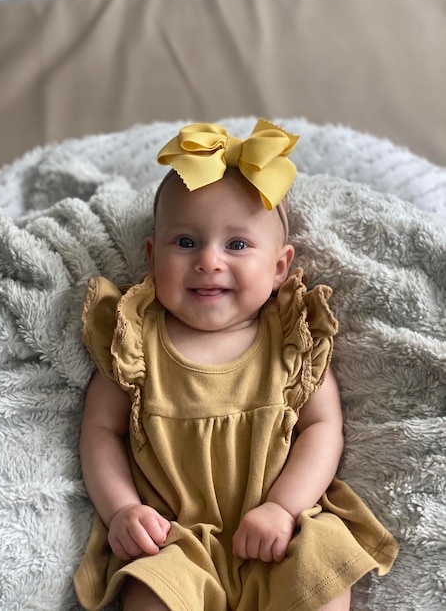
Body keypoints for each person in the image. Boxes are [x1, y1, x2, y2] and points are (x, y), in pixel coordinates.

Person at [74, 120, 398, 611]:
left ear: (279, 267)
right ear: (151, 256)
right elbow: (99, 429)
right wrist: (122, 509)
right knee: (150, 592)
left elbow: (323, 427)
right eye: (185, 242)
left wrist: (283, 508)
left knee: (323, 571)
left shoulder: (291, 340)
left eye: (237, 245)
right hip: (174, 539)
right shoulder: (136, 340)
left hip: (280, 531)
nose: (208, 260)